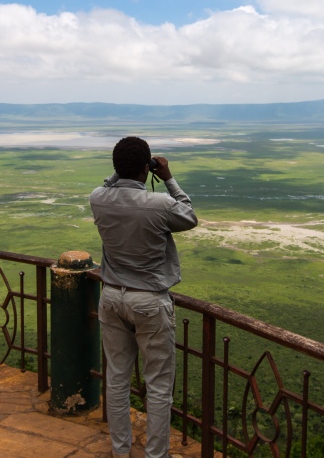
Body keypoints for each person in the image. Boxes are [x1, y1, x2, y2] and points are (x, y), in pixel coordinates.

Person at [89, 136, 198, 458]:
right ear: (145, 167)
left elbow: (108, 185)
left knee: (117, 379)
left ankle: (120, 451)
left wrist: (121, 173)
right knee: (159, 385)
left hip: (111, 296)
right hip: (149, 300)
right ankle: (156, 455)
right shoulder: (161, 204)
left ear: (115, 167)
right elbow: (189, 216)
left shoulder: (98, 198)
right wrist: (167, 178)